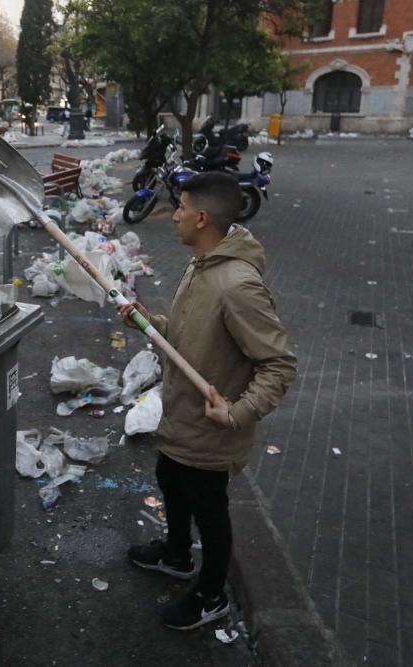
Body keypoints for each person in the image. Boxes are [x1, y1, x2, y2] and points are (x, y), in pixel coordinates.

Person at [118, 172, 297, 631]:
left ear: (201, 218)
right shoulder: (201, 264)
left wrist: (237, 413)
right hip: (180, 416)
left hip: (210, 428)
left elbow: (278, 364)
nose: (173, 213)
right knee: (169, 479)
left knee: (209, 509)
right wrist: (148, 321)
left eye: (179, 206)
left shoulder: (237, 285)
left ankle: (211, 593)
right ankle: (177, 555)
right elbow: (187, 336)